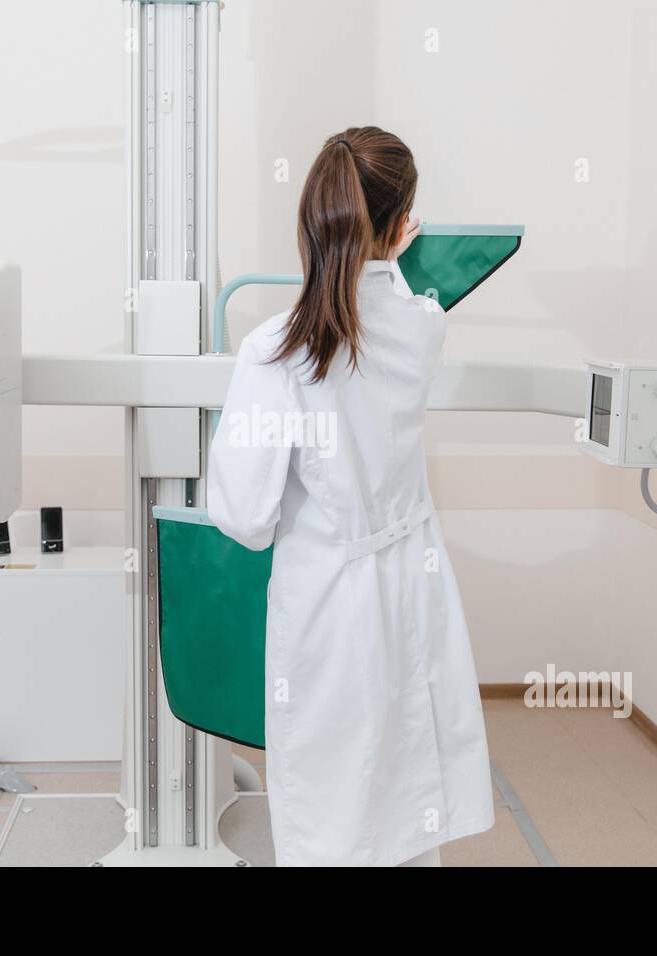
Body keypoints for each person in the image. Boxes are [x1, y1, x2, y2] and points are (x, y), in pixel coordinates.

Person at [208, 127, 493, 867]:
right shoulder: (423, 328)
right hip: (413, 582)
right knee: (406, 793)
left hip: (329, 600)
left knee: (332, 806)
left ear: (310, 221)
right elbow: (391, 299)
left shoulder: (277, 349)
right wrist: (394, 257)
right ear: (400, 228)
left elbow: (242, 516)